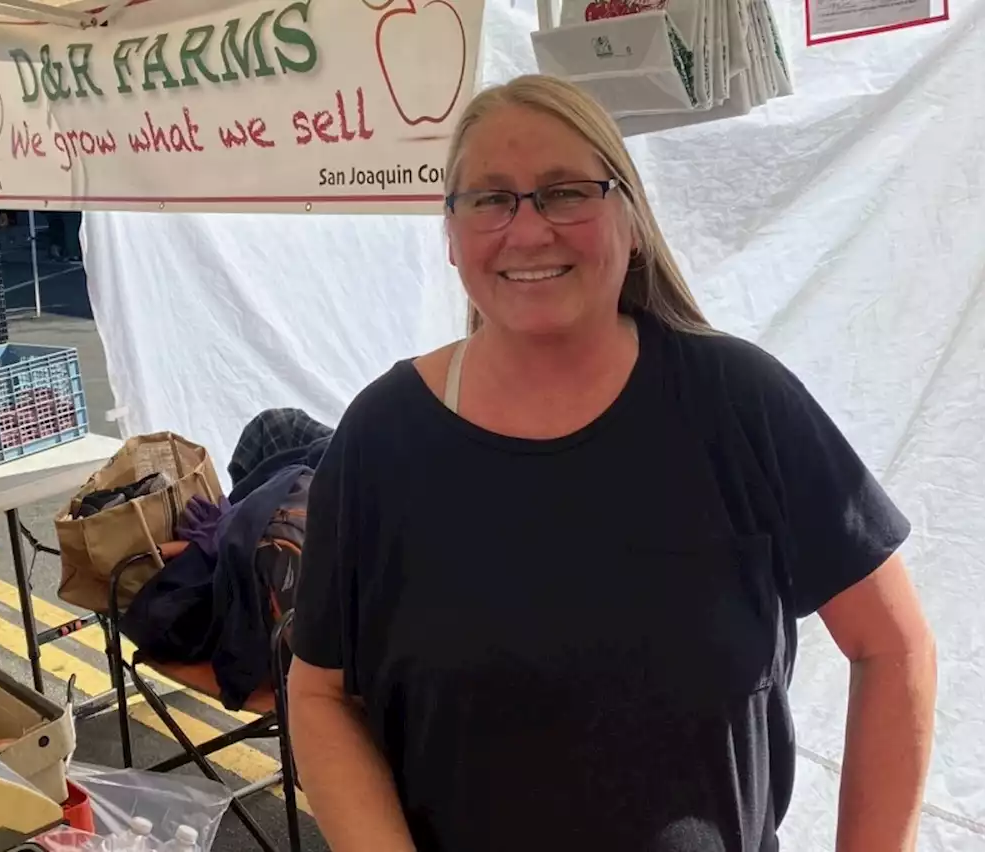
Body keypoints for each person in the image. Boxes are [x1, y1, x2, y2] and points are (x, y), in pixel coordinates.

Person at [288, 75, 937, 852]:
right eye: (490, 199)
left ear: (630, 219)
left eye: (566, 192)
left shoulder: (737, 404)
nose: (528, 232)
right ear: (453, 237)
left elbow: (893, 646)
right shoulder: (382, 439)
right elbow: (320, 692)